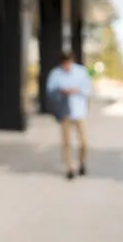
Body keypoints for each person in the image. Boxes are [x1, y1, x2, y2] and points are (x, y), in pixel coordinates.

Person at [46, 51, 91, 180]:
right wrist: (61, 91)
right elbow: (50, 90)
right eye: (65, 64)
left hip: (79, 111)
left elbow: (88, 89)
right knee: (67, 142)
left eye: (69, 63)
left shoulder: (81, 72)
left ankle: (82, 163)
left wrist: (78, 90)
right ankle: (69, 168)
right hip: (65, 112)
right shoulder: (56, 74)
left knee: (84, 142)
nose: (67, 66)